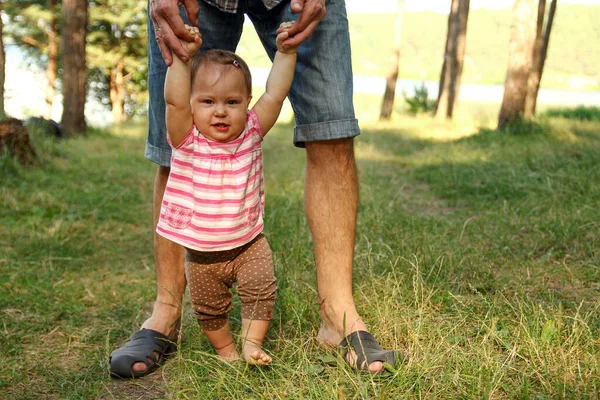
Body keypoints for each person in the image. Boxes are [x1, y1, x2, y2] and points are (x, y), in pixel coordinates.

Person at [110, 0, 398, 378]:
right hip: (198, 4)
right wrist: (181, 61)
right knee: (168, 152)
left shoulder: (249, 130)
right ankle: (168, 310)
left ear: (245, 105)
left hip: (247, 243)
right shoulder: (186, 136)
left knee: (333, 128)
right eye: (208, 102)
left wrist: (286, 53)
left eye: (231, 102)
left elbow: (273, 94)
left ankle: (336, 316)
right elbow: (176, 100)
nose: (219, 112)